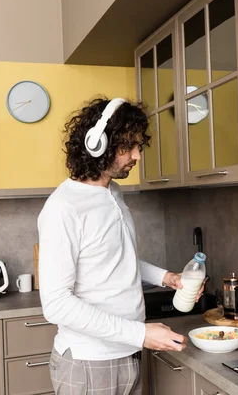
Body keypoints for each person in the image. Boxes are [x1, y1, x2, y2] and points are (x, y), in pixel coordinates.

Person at [37, 97, 204, 395]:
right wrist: (141, 333)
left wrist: (167, 278)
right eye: (131, 146)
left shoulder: (112, 193)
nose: (138, 156)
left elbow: (116, 258)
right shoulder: (63, 208)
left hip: (126, 352)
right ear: (98, 144)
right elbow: (56, 304)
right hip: (90, 364)